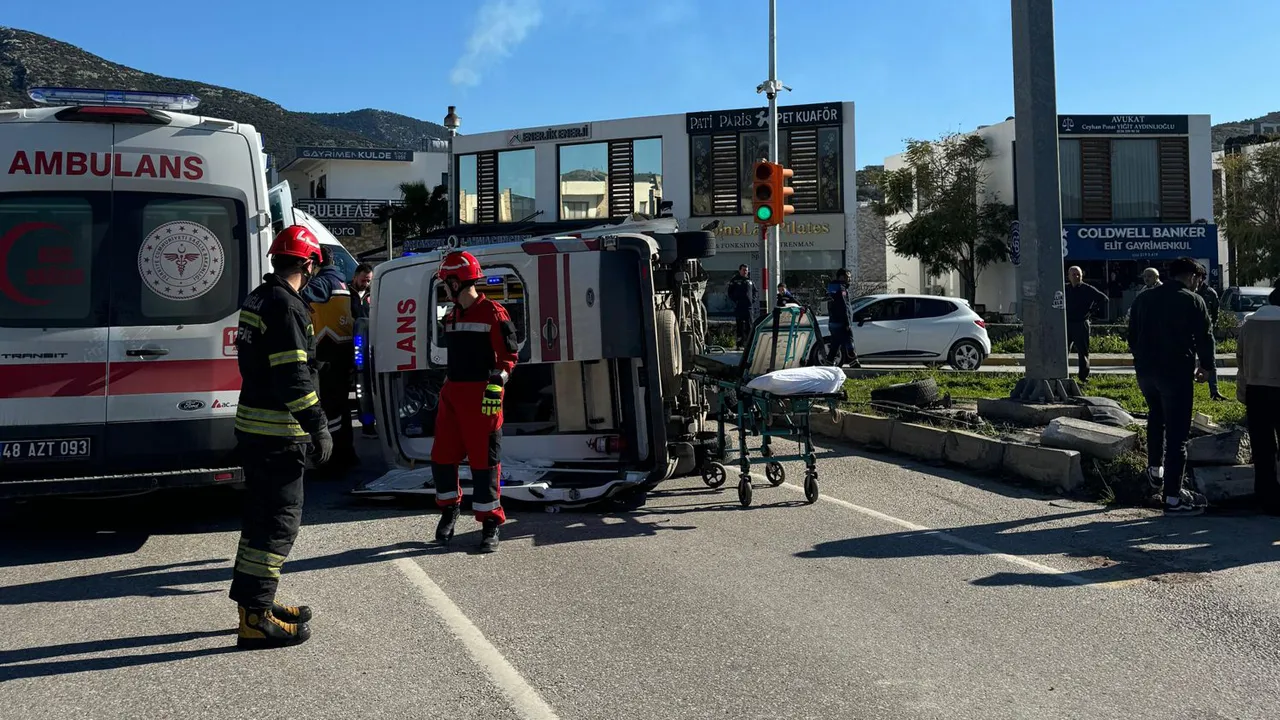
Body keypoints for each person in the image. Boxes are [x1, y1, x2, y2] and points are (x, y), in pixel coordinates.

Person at [228, 224, 332, 649]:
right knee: (277, 524)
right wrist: (319, 425)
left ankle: (257, 605)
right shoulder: (287, 307)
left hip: (255, 429)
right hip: (277, 436)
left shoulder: (258, 298)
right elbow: (293, 376)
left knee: (259, 522)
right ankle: (255, 620)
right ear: (308, 264)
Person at [431, 250, 519, 553]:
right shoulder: (452, 315)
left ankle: (490, 523)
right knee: (442, 458)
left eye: (446, 282)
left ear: (456, 282)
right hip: (453, 394)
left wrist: (497, 385)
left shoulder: (494, 313)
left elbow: (508, 358)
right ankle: (449, 510)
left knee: (485, 463)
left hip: (483, 397)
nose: (444, 288)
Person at [1127, 257, 1214, 515]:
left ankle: (1155, 471)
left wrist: (1141, 360)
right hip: (1175, 373)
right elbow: (1204, 337)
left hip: (1146, 373)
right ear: (1192, 276)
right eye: (1199, 279)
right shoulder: (1193, 300)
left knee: (1156, 417)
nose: (1199, 284)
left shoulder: (1143, 299)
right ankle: (1174, 498)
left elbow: (1131, 335)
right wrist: (1206, 367)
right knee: (1177, 435)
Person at [301, 247, 357, 470]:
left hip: (326, 354)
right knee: (342, 408)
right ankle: (347, 453)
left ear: (316, 263)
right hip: (342, 352)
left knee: (330, 409)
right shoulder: (341, 282)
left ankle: (333, 460)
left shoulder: (323, 283)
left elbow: (296, 292)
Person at [1235, 287, 1280, 515]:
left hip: (1256, 391)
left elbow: (1240, 358)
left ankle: (1266, 498)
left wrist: (1242, 390)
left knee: (1262, 448)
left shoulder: (1249, 324)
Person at [1064, 266, 1109, 383]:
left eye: (1078, 274)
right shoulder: (1065, 288)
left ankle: (1083, 377)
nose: (1076, 276)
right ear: (1068, 276)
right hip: (1066, 323)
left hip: (1081, 323)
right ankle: (1063, 374)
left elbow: (1103, 299)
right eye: (1073, 274)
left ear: (1081, 275)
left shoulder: (1087, 289)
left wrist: (1091, 312)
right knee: (1063, 351)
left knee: (1083, 351)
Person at [349, 262, 376, 437]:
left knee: (366, 388)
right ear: (355, 276)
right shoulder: (345, 293)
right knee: (361, 389)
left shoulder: (371, 295)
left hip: (368, 348)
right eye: (364, 280)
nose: (366, 284)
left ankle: (368, 425)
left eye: (368, 281)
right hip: (351, 346)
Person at [1193, 267, 1228, 401]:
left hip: (1205, 333)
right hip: (1188, 332)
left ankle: (1214, 391)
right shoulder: (1187, 292)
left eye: (1199, 277)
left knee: (1210, 362)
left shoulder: (1210, 293)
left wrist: (1211, 326)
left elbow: (1215, 312)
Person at [824, 268, 860, 367]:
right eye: (848, 277)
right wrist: (848, 322)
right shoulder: (841, 289)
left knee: (835, 344)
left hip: (833, 322)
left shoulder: (831, 288)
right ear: (841, 277)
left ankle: (829, 364)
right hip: (842, 322)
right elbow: (844, 306)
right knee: (849, 342)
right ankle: (855, 364)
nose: (849, 279)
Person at [726, 264, 757, 349]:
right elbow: (730, 292)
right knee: (739, 326)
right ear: (740, 270)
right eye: (743, 270)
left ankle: (749, 344)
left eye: (746, 270)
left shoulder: (750, 280)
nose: (745, 272)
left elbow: (755, 291)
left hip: (749, 308)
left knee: (749, 326)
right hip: (739, 307)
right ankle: (739, 344)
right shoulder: (735, 280)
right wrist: (736, 300)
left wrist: (752, 300)